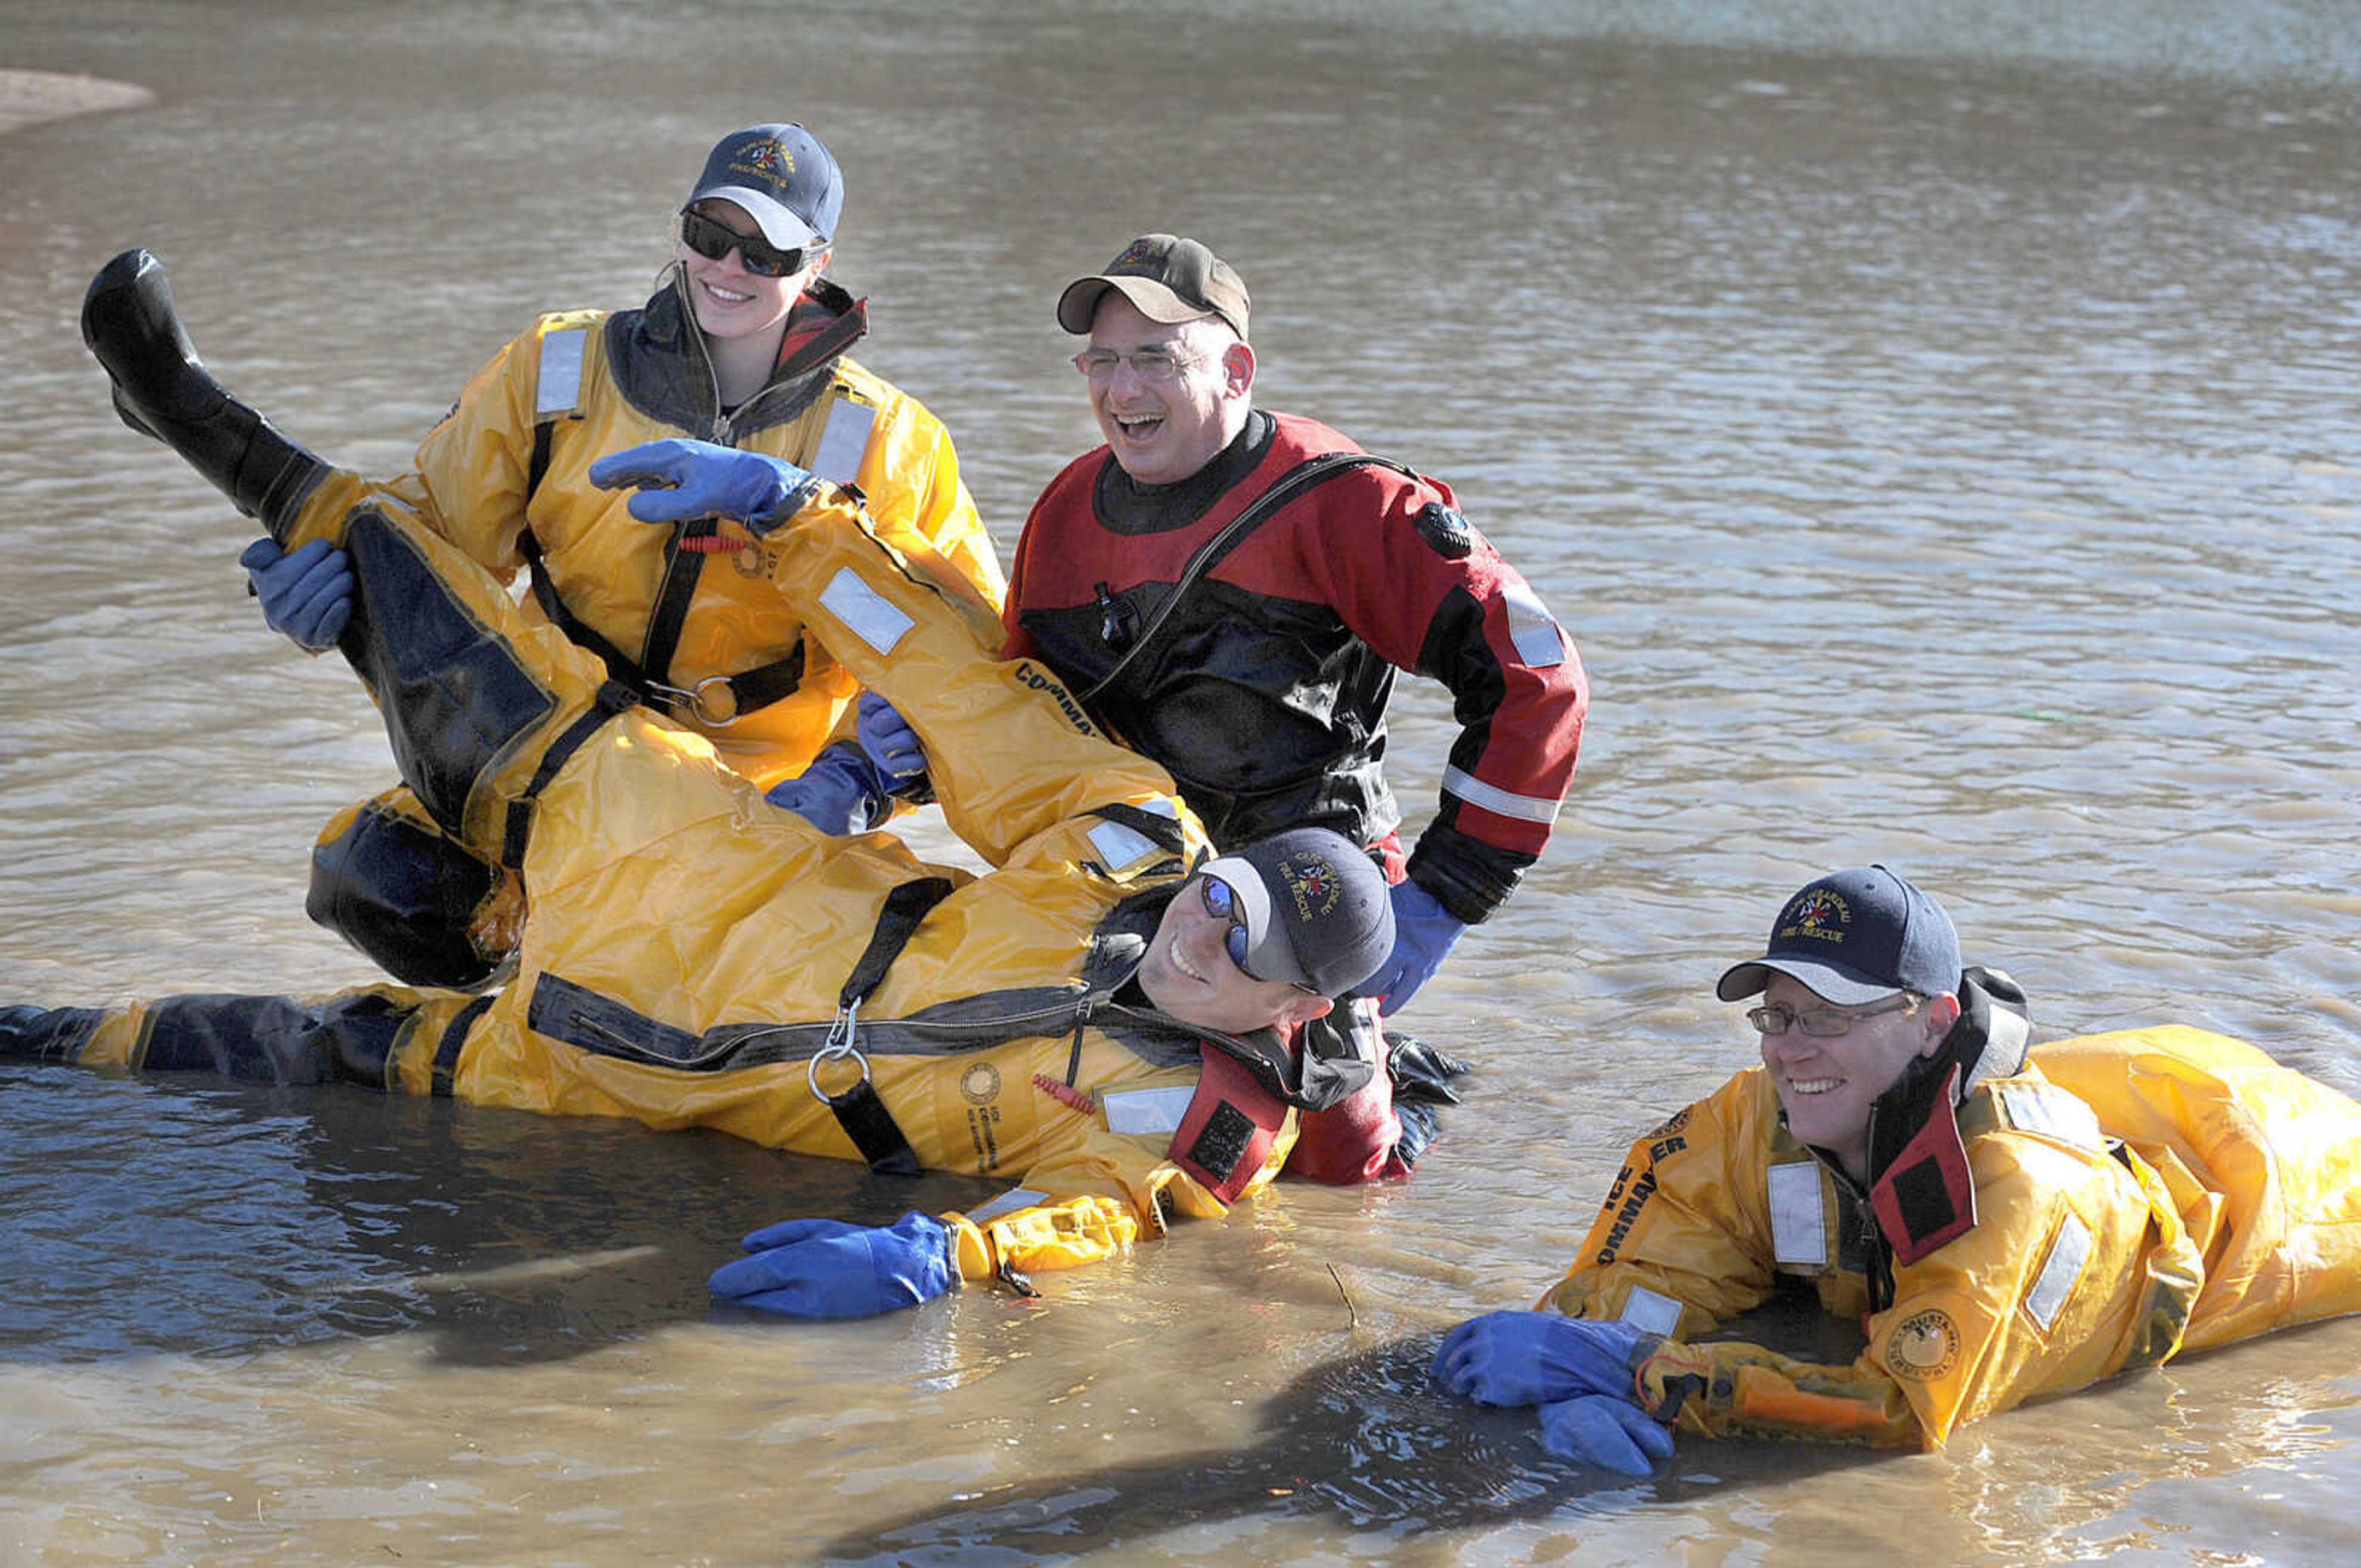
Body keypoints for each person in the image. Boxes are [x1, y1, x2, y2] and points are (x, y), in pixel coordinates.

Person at [2, 424, 1397, 1321]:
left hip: (610, 1055)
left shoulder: (1198, 1132)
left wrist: (944, 1259)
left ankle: (38, 1034)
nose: (1206, 933)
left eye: (1246, 949)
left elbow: (1093, 1220)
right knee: (446, 644)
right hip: (698, 864)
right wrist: (796, 520)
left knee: (284, 1054)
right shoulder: (1137, 837)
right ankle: (189, 414)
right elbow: (950, 677)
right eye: (1230, 895)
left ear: (1289, 1017)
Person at [81, 121, 1005, 993]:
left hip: (762, 797)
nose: (728, 268)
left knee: (837, 968)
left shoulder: (890, 439)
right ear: (680, 231)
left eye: (764, 254)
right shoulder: (558, 369)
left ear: (818, 267)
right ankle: (195, 418)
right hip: (553, 752)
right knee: (371, 879)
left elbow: (966, 644)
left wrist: (859, 780)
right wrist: (316, 591)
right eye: (708, 233)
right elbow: (431, 534)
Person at [850, 235, 1589, 1183]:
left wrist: (1448, 892)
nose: (1122, 392)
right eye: (1103, 361)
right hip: (1133, 873)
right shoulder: (1066, 508)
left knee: (1339, 1174)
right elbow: (1027, 712)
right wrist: (918, 749)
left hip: (1304, 894)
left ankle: (1399, 1093)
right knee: (984, 1082)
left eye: (1157, 359)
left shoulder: (1345, 503)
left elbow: (1538, 673)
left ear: (1236, 370)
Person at [1431, 865, 2361, 1471]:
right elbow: (1648, 1266)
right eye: (1779, 1015)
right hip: (2138, 1097)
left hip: (2274, 1204)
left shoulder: (2025, 1189)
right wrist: (1573, 1349)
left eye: (1831, 1016)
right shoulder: (1761, 1113)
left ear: (1929, 1019)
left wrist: (1649, 1377)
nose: (1793, 1050)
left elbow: (1906, 1412)